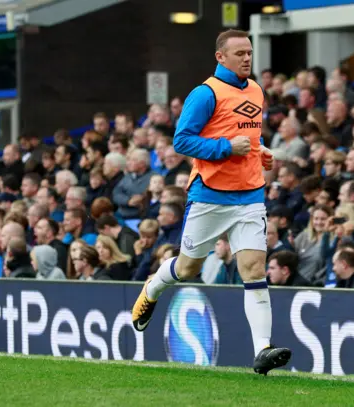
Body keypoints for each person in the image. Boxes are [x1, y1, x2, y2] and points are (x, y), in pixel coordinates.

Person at [131, 29, 291, 375]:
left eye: (249, 52)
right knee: (188, 268)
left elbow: (249, 134)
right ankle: (154, 286)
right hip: (210, 195)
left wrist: (260, 151)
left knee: (254, 270)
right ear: (221, 57)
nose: (246, 58)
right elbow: (182, 141)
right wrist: (224, 149)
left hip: (250, 194)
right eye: (239, 54)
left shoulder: (257, 91)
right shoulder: (205, 94)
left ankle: (262, 350)